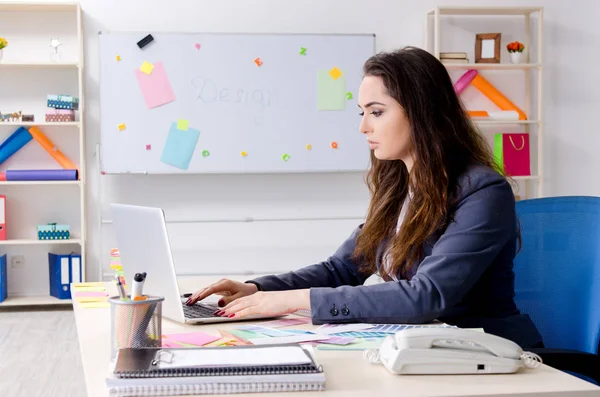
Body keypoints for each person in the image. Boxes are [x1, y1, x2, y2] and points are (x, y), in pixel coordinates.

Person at [187, 46, 543, 348]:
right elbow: (342, 268)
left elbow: (428, 294)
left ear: (421, 113)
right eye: (363, 113)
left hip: (487, 353)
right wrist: (256, 288)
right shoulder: (401, 187)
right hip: (424, 348)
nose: (363, 127)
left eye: (376, 112)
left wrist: (294, 300)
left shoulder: (483, 192)